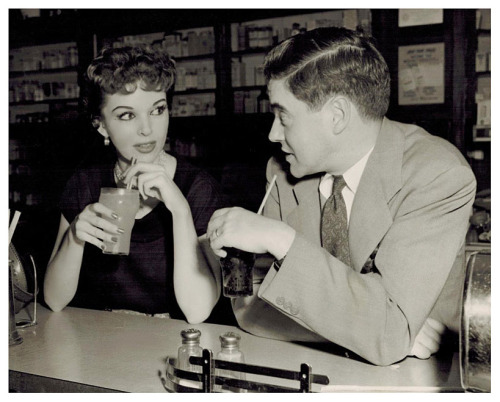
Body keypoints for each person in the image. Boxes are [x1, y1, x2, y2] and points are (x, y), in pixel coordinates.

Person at [207, 27, 476, 366]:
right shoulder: (282, 173)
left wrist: (281, 239)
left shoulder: (436, 175)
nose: (273, 134)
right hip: (322, 367)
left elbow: (387, 335)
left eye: (283, 116)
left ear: (337, 116)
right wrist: (368, 332)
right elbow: (249, 308)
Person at [44, 45, 226, 324]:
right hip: (101, 340)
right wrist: (74, 237)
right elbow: (54, 300)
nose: (147, 128)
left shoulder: (198, 188)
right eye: (127, 115)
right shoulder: (85, 183)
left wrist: (180, 210)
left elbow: (197, 311)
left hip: (172, 343)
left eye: (157, 110)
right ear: (101, 126)